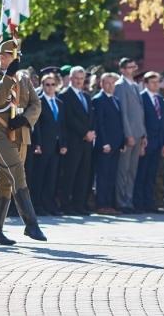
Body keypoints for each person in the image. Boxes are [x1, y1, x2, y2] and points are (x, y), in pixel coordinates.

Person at [0, 41, 44, 245]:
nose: (18, 59)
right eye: (12, 55)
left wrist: (25, 119)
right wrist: (8, 76)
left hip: (20, 133)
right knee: (16, 171)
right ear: (2, 57)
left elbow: (36, 103)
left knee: (6, 181)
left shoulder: (23, 78)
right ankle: (31, 223)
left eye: (19, 55)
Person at [58, 66, 96, 216]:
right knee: (70, 174)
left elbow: (92, 116)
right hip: (74, 141)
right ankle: (66, 205)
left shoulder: (86, 96)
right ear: (71, 78)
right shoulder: (65, 95)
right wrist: (85, 132)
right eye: (77, 78)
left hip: (87, 142)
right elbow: (69, 118)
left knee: (83, 174)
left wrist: (92, 132)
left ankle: (79, 204)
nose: (80, 81)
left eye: (82, 79)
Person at [30, 73, 66, 216]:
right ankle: (37, 205)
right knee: (40, 176)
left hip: (56, 145)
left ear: (56, 85)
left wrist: (64, 143)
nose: (50, 87)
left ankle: (49, 204)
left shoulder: (60, 103)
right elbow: (37, 125)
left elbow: (62, 125)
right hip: (43, 145)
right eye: (47, 84)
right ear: (42, 86)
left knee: (52, 177)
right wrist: (37, 143)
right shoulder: (38, 102)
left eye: (52, 84)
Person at [133, 71, 164, 214]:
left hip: (158, 142)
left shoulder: (160, 99)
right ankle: (138, 203)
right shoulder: (141, 98)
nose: (156, 85)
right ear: (145, 83)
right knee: (141, 173)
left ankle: (150, 203)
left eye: (157, 82)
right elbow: (140, 121)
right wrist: (141, 140)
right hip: (146, 142)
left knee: (152, 174)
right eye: (152, 82)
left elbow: (163, 123)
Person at [113, 58, 145, 214]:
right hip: (130, 135)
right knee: (123, 170)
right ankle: (121, 202)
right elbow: (123, 112)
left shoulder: (134, 85)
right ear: (123, 69)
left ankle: (129, 201)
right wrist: (128, 134)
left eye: (135, 66)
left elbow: (140, 112)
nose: (134, 69)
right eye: (131, 67)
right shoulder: (120, 86)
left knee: (132, 170)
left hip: (139, 133)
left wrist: (143, 133)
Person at [92, 73, 124, 215]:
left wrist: (122, 142)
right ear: (101, 84)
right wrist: (104, 142)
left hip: (116, 144)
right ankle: (101, 204)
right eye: (107, 83)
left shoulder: (115, 99)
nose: (110, 86)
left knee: (111, 176)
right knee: (103, 176)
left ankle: (109, 204)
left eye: (113, 83)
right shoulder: (99, 99)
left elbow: (119, 124)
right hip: (105, 145)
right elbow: (99, 124)